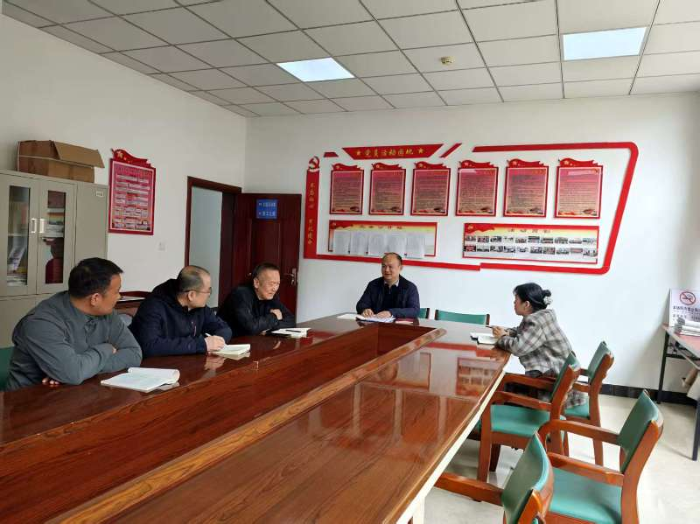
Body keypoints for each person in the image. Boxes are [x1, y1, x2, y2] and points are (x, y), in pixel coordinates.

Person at [5, 258, 142, 391]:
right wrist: (107, 349)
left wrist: (83, 370)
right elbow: (73, 373)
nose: (119, 296)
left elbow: (134, 354)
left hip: (78, 392)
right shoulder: (40, 323)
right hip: (31, 399)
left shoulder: (106, 313)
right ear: (95, 298)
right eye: (117, 291)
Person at [491, 283, 586, 408]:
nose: (514, 303)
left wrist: (502, 338)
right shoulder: (542, 316)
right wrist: (508, 332)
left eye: (516, 300)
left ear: (526, 304)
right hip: (558, 377)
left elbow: (518, 348)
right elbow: (522, 331)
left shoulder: (535, 321)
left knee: (498, 384)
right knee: (502, 381)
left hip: (549, 386)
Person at [129, 266, 232, 357]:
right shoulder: (153, 306)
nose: (209, 295)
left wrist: (217, 343)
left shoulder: (200, 308)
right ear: (191, 295)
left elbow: (224, 328)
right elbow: (150, 346)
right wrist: (201, 345)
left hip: (188, 364)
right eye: (208, 291)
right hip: (156, 367)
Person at [217, 262, 295, 337]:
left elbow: (291, 320)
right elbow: (251, 327)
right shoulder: (240, 295)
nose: (274, 289)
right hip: (229, 342)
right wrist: (274, 316)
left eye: (277, 284)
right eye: (271, 284)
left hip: (253, 340)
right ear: (256, 283)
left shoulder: (271, 296)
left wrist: (267, 328)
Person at [356, 252, 420, 319]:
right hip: (375, 323)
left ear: (400, 268)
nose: (386, 270)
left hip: (398, 324)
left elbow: (414, 310)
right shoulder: (373, 284)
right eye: (384, 266)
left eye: (390, 267)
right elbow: (361, 304)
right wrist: (365, 309)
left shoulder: (410, 287)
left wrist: (391, 313)